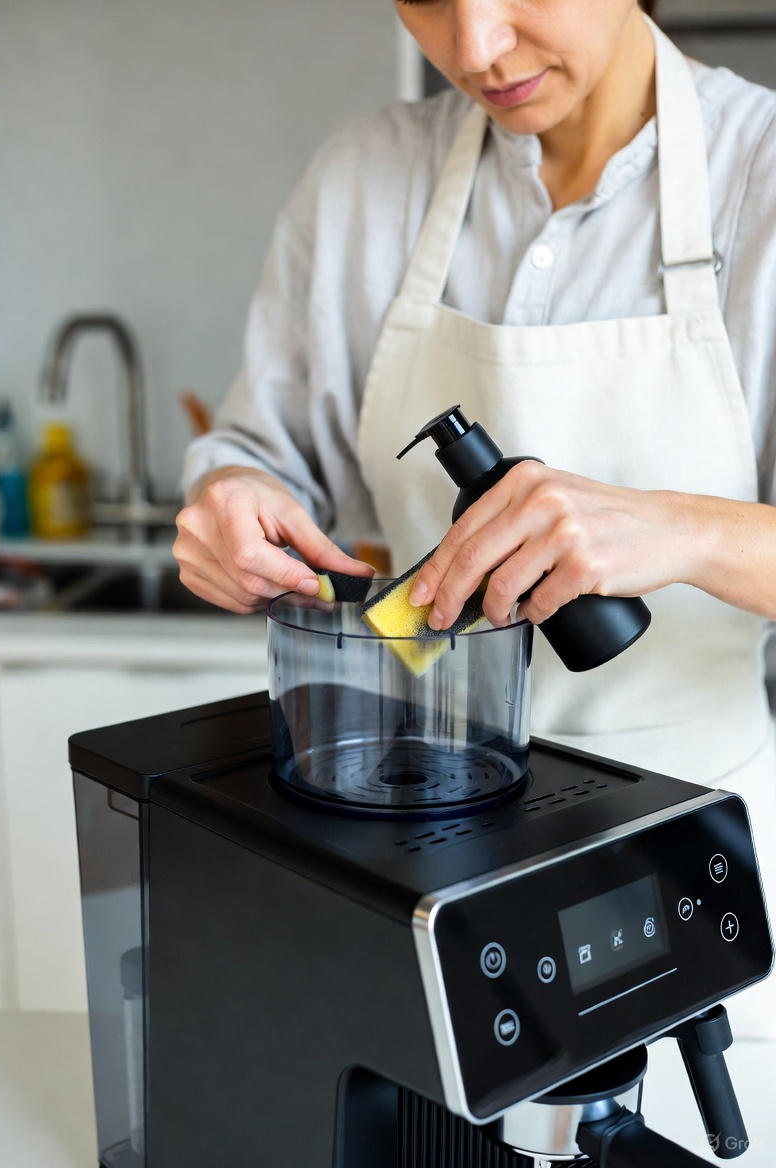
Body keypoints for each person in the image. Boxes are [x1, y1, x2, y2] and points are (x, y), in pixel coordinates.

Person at [176, 1, 776, 1033]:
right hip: (418, 864)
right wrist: (227, 494)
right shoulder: (367, 181)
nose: (473, 48)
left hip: (693, 873)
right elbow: (259, 453)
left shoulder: (758, 176)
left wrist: (687, 530)